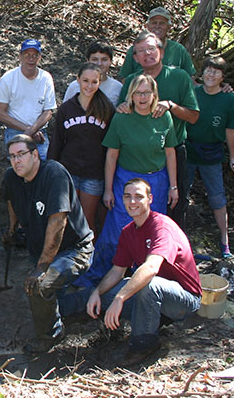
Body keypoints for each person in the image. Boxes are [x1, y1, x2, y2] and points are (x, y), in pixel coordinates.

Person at [75, 74, 178, 288]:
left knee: (152, 230)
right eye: (138, 93)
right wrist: (109, 190)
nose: (142, 97)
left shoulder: (163, 117)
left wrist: (173, 186)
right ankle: (101, 277)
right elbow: (111, 155)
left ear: (154, 95)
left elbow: (170, 153)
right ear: (131, 95)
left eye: (146, 93)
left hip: (156, 182)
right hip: (126, 179)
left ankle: (146, 280)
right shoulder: (121, 118)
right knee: (117, 232)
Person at [85, 178, 201, 365]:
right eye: (128, 197)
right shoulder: (128, 232)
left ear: (150, 199)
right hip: (154, 297)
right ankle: (129, 324)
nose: (132, 202)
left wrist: (120, 298)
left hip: (184, 300)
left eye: (139, 197)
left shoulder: (162, 226)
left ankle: (143, 345)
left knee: (149, 284)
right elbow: (117, 271)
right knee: (104, 295)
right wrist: (97, 292)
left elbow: (151, 267)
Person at [2, 134, 94, 352]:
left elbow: (58, 221)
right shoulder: (11, 177)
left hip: (74, 249)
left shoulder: (54, 174)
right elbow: (11, 202)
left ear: (35, 154)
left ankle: (51, 335)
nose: (16, 161)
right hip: (41, 248)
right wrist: (12, 229)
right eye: (12, 156)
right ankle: (83, 304)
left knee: (40, 285)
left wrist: (42, 267)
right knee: (54, 299)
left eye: (21, 155)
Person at [118, 30, 199, 231]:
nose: (148, 54)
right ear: (135, 58)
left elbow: (194, 116)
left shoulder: (178, 77)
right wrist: (123, 107)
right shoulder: (131, 81)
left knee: (175, 204)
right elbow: (121, 111)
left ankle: (170, 251)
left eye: (152, 48)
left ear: (161, 52)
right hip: (135, 157)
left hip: (172, 151)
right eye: (141, 51)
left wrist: (171, 105)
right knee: (134, 207)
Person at [48, 63, 114, 236]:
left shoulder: (106, 109)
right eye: (85, 80)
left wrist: (109, 181)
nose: (89, 86)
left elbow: (111, 148)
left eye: (94, 82)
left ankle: (89, 260)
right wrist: (50, 170)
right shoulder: (66, 108)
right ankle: (65, 258)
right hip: (68, 172)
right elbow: (57, 141)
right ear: (78, 80)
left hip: (93, 174)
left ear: (100, 83)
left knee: (87, 220)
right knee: (65, 219)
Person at [186, 57, 234, 258]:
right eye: (208, 70)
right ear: (202, 73)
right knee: (181, 195)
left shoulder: (229, 99)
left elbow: (230, 129)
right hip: (189, 149)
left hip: (213, 152)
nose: (211, 74)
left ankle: (225, 243)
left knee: (217, 197)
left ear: (223, 77)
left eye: (216, 72)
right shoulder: (193, 93)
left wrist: (233, 157)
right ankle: (179, 241)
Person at [0, 39, 57, 160]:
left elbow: (49, 111)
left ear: (40, 57)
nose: (31, 59)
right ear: (20, 57)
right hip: (15, 130)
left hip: (40, 131)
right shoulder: (8, 79)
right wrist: (28, 131)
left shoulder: (46, 78)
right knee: (20, 162)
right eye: (27, 55)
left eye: (35, 55)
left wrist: (32, 130)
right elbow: (1, 114)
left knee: (45, 163)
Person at [119, 7, 195, 78]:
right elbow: (125, 79)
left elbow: (190, 79)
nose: (157, 26)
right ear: (147, 26)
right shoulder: (135, 50)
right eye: (154, 23)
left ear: (169, 27)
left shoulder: (178, 50)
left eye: (162, 23)